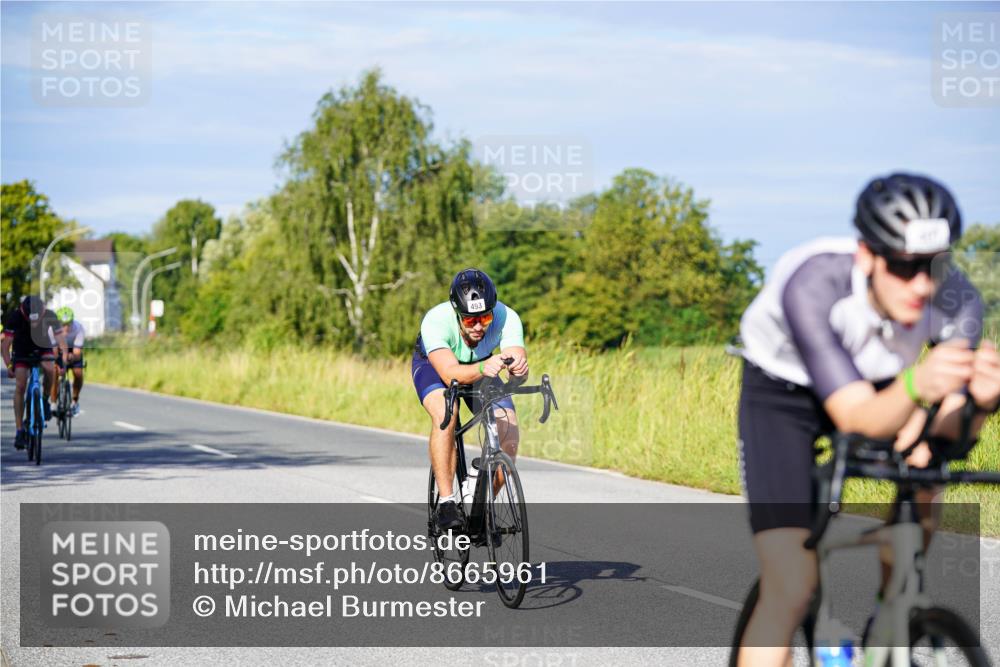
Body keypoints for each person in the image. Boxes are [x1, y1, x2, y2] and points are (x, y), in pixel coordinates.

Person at [735, 173, 1000, 666]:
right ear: (867, 256)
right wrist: (920, 387)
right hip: (785, 391)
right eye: (903, 267)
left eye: (935, 266)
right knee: (791, 582)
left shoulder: (958, 300)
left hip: (883, 381)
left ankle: (891, 615)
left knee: (924, 467)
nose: (922, 285)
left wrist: (980, 404)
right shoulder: (813, 282)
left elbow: (945, 436)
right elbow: (856, 417)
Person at [413, 269, 528, 531]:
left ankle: (481, 504)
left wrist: (519, 369)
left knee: (508, 429)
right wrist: (481, 369)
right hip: (437, 365)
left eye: (485, 317)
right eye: (470, 321)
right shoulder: (436, 321)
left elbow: (515, 358)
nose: (479, 326)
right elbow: (449, 373)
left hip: (481, 365)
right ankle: (447, 503)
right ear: (457, 314)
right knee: (446, 412)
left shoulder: (507, 316)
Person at [2, 296, 69, 450]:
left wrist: (63, 362)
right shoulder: (16, 316)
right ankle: (19, 430)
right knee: (20, 385)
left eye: (36, 320)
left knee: (50, 369)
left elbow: (62, 343)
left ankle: (45, 399)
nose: (33, 323)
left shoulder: (50, 315)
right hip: (22, 350)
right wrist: (9, 365)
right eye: (30, 320)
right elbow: (5, 346)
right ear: (24, 313)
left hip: (42, 347)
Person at [50, 306, 85, 416]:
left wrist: (71, 357)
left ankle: (74, 401)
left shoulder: (78, 328)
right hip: (58, 351)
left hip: (73, 352)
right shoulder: (52, 330)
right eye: (63, 324)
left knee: (78, 373)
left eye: (68, 324)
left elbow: (77, 352)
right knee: (54, 371)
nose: (66, 327)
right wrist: (60, 363)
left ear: (72, 322)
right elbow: (54, 352)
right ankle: (53, 402)